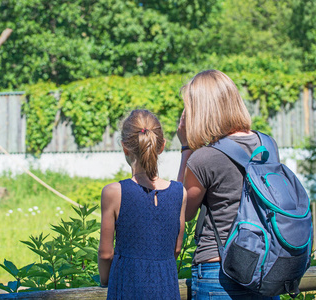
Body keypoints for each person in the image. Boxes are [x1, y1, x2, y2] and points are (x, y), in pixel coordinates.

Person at [176, 69, 279, 300]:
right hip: (265, 266)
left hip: (219, 271)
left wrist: (186, 148)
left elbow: (182, 210)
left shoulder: (203, 157)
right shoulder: (268, 146)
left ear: (201, 110)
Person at [98, 109, 186, 300]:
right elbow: (176, 249)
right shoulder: (180, 192)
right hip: (166, 287)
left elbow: (105, 253)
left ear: (124, 147)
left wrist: (106, 282)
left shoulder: (113, 192)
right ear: (161, 146)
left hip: (127, 286)